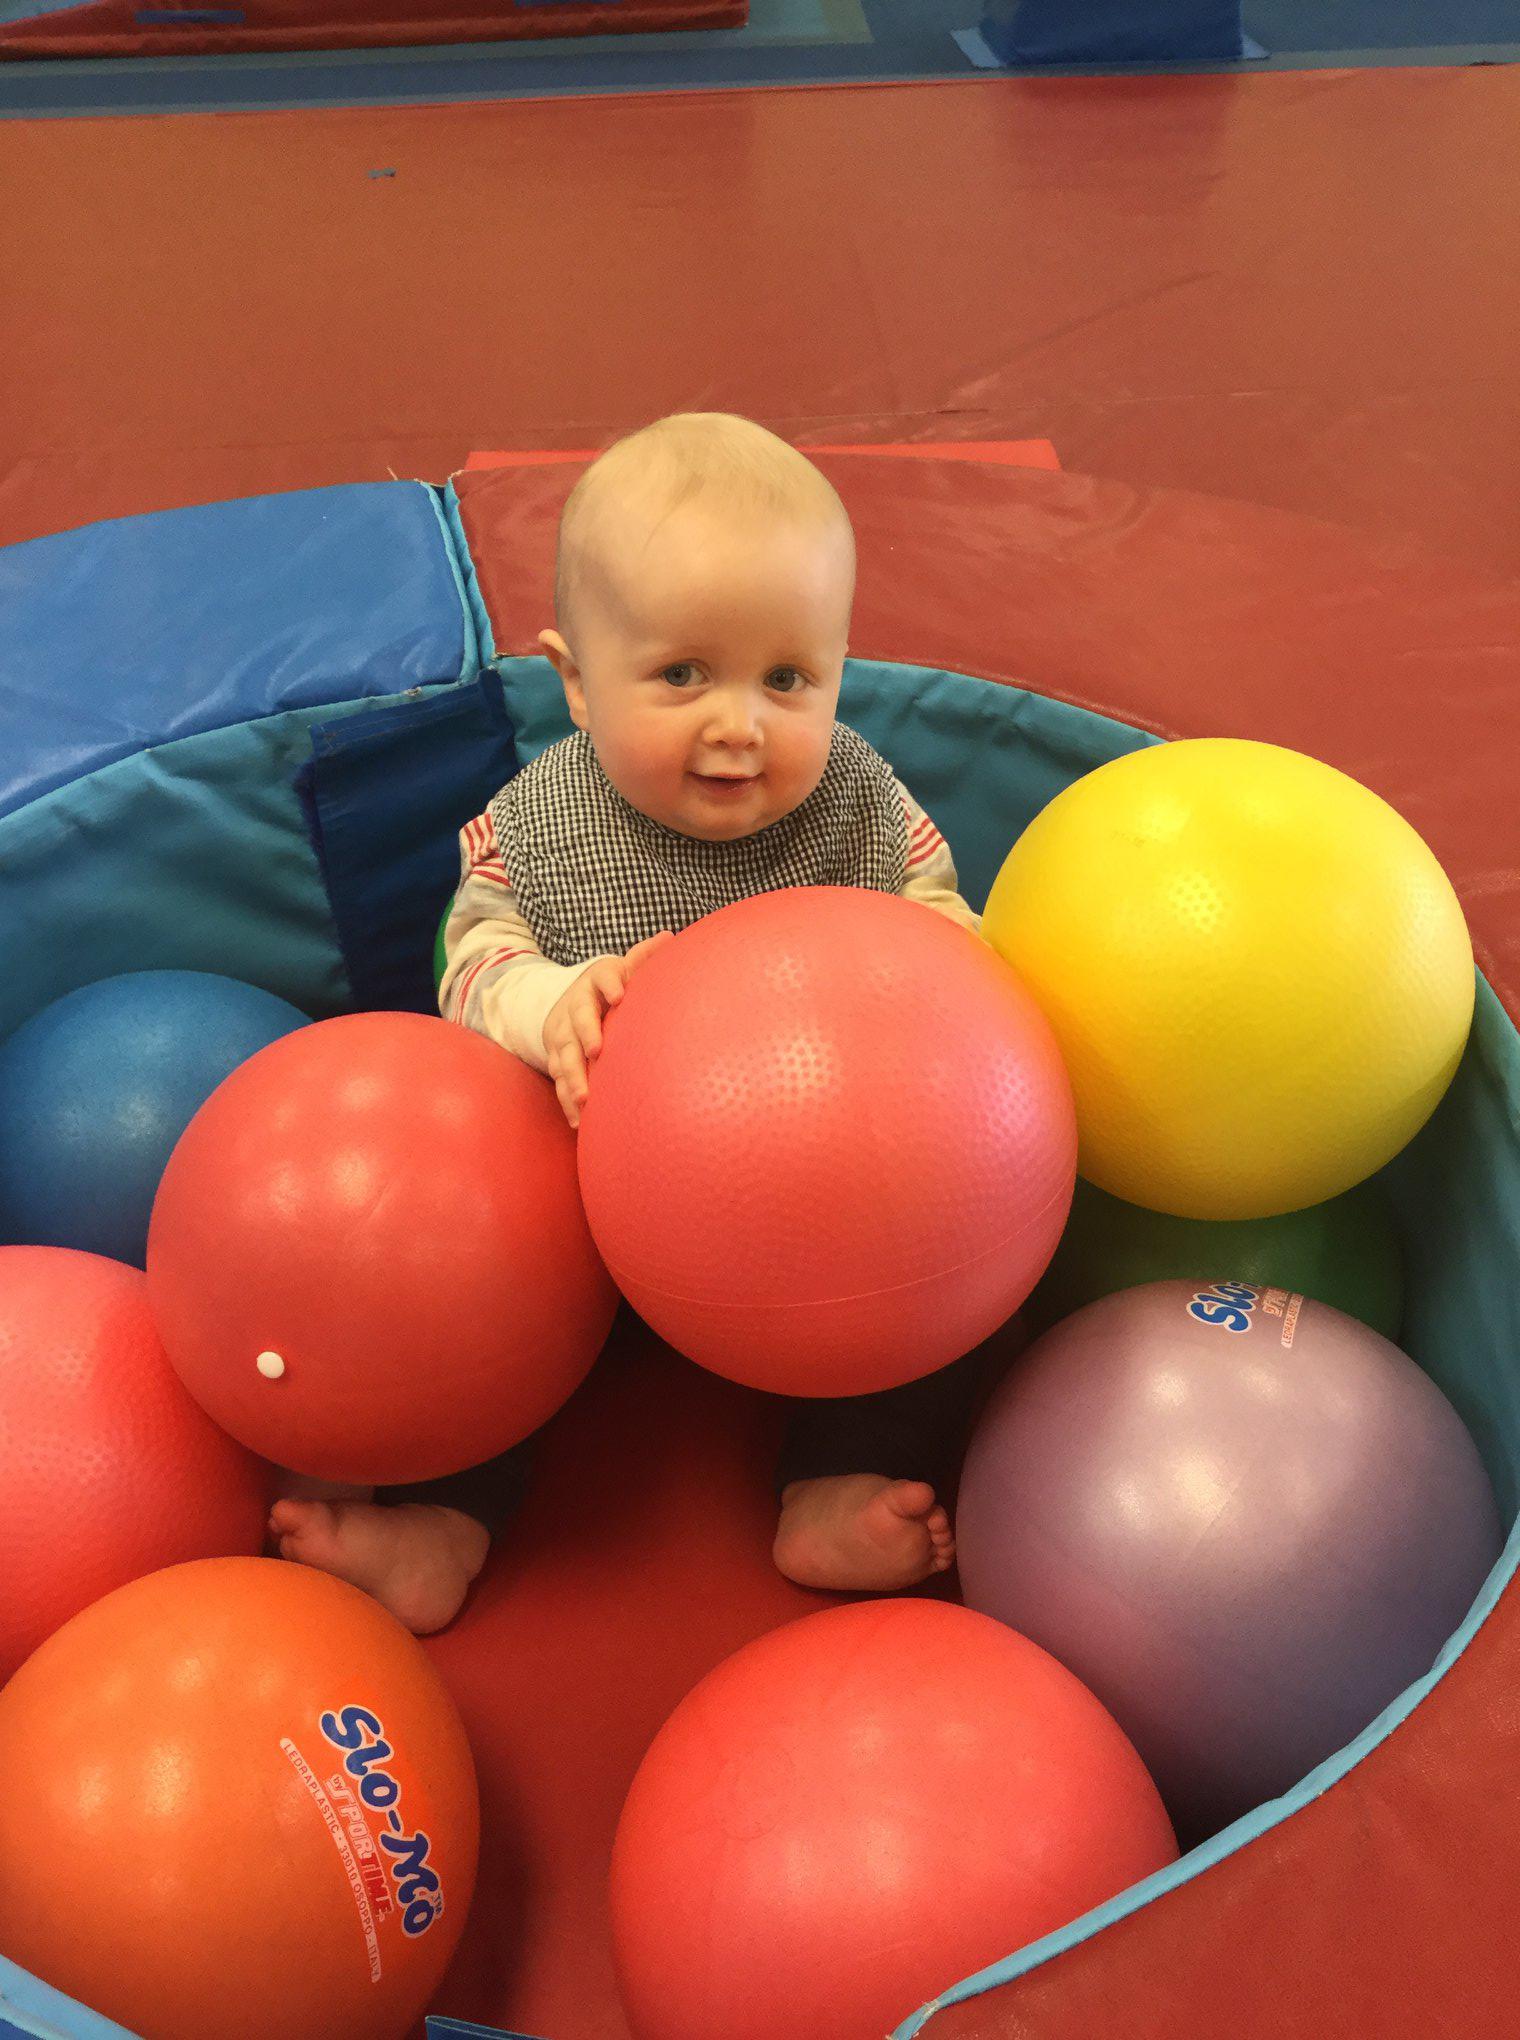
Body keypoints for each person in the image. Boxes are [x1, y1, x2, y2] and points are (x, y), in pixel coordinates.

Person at [270, 412, 994, 1632]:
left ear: (837, 672)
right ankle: (446, 1521)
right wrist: (553, 1004)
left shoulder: (859, 803)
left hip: (816, 1231)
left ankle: (829, 1485)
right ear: (573, 683)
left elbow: (942, 922)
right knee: (475, 1303)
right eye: (680, 675)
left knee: (953, 1292)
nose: (737, 724)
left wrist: (939, 965)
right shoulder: (537, 825)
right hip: (592, 1229)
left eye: (786, 679)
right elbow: (466, 962)